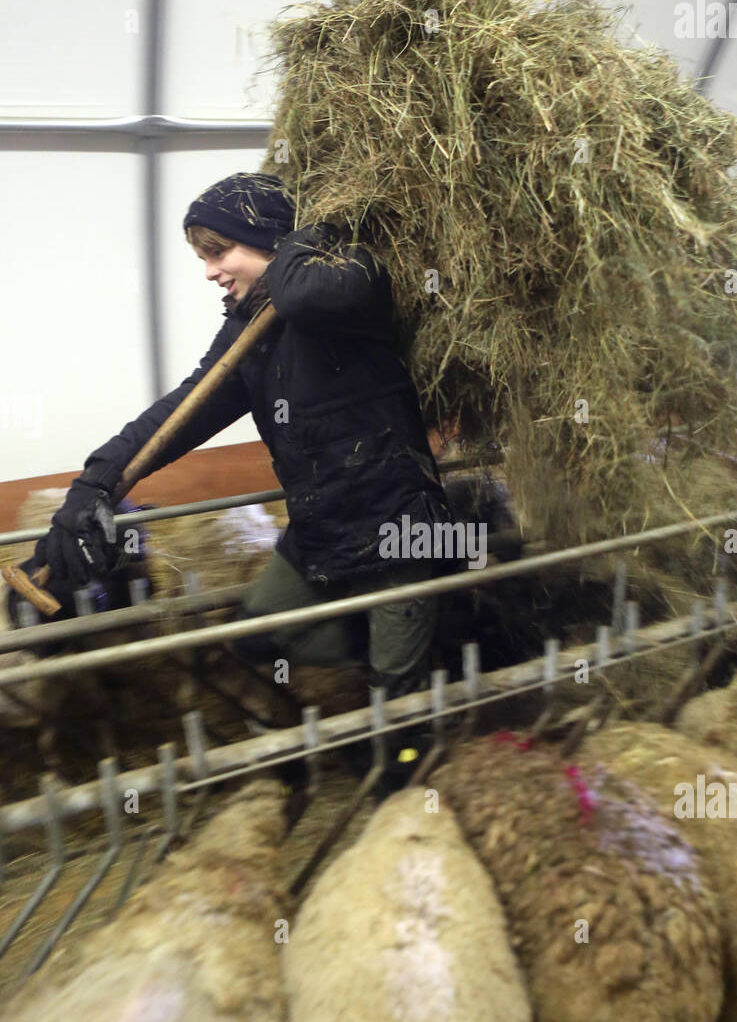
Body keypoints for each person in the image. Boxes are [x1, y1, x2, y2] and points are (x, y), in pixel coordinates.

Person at [23, 172, 453, 705]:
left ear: (272, 236)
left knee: (397, 696)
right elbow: (180, 410)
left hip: (398, 528)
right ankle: (409, 638)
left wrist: (298, 238)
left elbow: (306, 297)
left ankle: (404, 729)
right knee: (254, 637)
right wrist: (95, 483)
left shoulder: (350, 288)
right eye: (204, 257)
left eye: (219, 250)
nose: (209, 272)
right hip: (320, 528)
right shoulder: (248, 334)